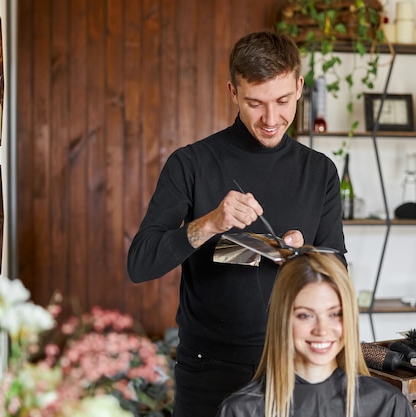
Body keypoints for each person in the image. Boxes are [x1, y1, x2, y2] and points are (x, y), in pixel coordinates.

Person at [127, 30, 347, 417]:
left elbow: (338, 272)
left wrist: (304, 256)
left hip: (295, 365)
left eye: (282, 101)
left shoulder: (320, 172)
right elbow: (140, 263)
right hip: (208, 367)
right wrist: (209, 224)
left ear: (299, 87)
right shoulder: (191, 163)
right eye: (254, 103)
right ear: (233, 92)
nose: (270, 119)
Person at [217, 249, 416, 417]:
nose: (322, 330)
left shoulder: (388, 405)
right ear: (282, 320)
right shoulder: (242, 411)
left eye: (335, 314)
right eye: (305, 315)